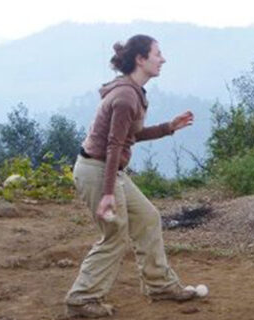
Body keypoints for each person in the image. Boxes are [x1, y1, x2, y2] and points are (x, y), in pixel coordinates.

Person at [65, 34, 202, 318]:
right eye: (157, 54)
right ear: (140, 59)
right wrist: (107, 194)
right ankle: (82, 298)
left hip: (108, 168)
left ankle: (160, 285)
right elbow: (113, 145)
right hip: (98, 170)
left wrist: (168, 127)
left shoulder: (133, 91)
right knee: (115, 234)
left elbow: (130, 135)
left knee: (148, 217)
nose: (163, 59)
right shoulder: (126, 96)